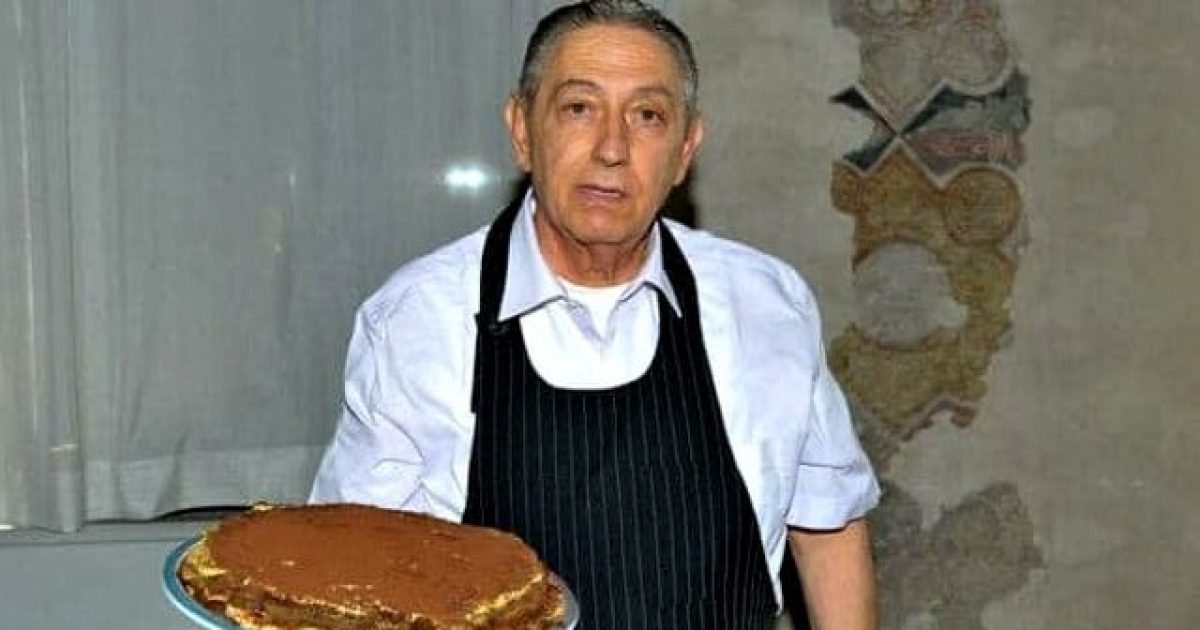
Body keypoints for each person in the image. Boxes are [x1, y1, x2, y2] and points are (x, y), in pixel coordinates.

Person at [310, 1, 880, 628]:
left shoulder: (766, 304)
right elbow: (349, 571)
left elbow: (828, 527)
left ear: (686, 150)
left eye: (647, 116)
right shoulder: (416, 319)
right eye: (579, 108)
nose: (612, 148)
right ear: (522, 130)